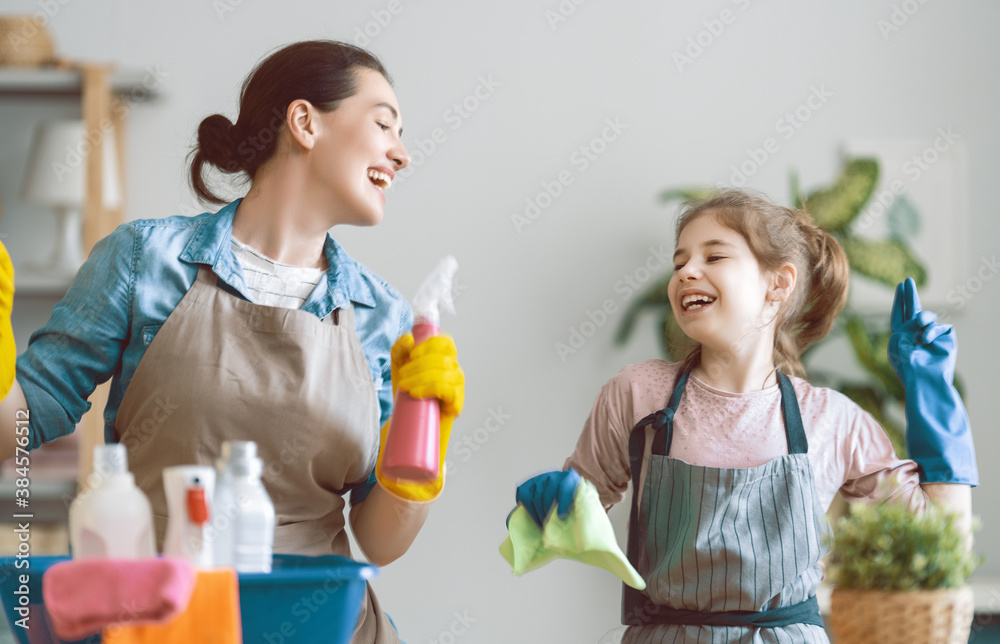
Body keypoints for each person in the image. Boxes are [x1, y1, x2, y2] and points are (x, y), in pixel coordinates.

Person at [0, 40, 464, 643]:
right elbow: (19, 427)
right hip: (158, 624)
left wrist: (419, 463)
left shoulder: (382, 317)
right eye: (384, 124)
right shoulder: (146, 260)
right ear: (304, 122)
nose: (400, 153)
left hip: (320, 627)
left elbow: (379, 540)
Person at [512, 189, 977, 643]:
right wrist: (553, 505)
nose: (687, 271)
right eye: (679, 262)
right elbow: (571, 515)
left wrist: (933, 398)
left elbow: (942, 539)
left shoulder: (832, 420)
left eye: (714, 257)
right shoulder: (637, 395)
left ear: (778, 283)